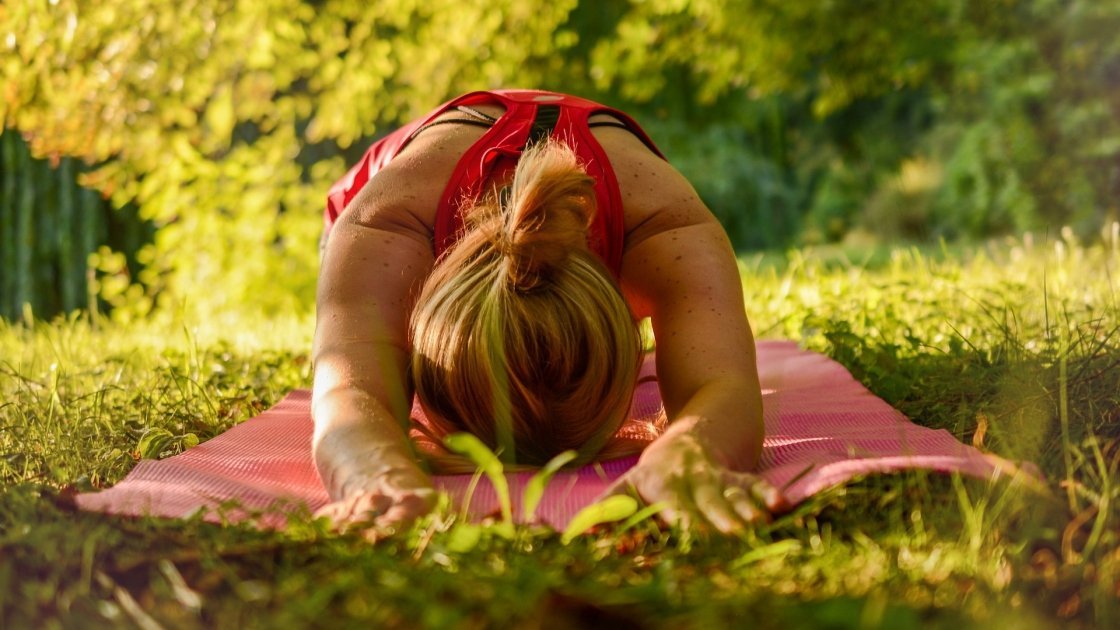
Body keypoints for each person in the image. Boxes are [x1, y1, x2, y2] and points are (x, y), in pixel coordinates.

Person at [312, 89, 786, 534]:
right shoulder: (385, 224)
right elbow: (347, 391)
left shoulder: (665, 227)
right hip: (399, 186)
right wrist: (374, 471)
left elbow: (724, 387)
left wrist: (692, 452)